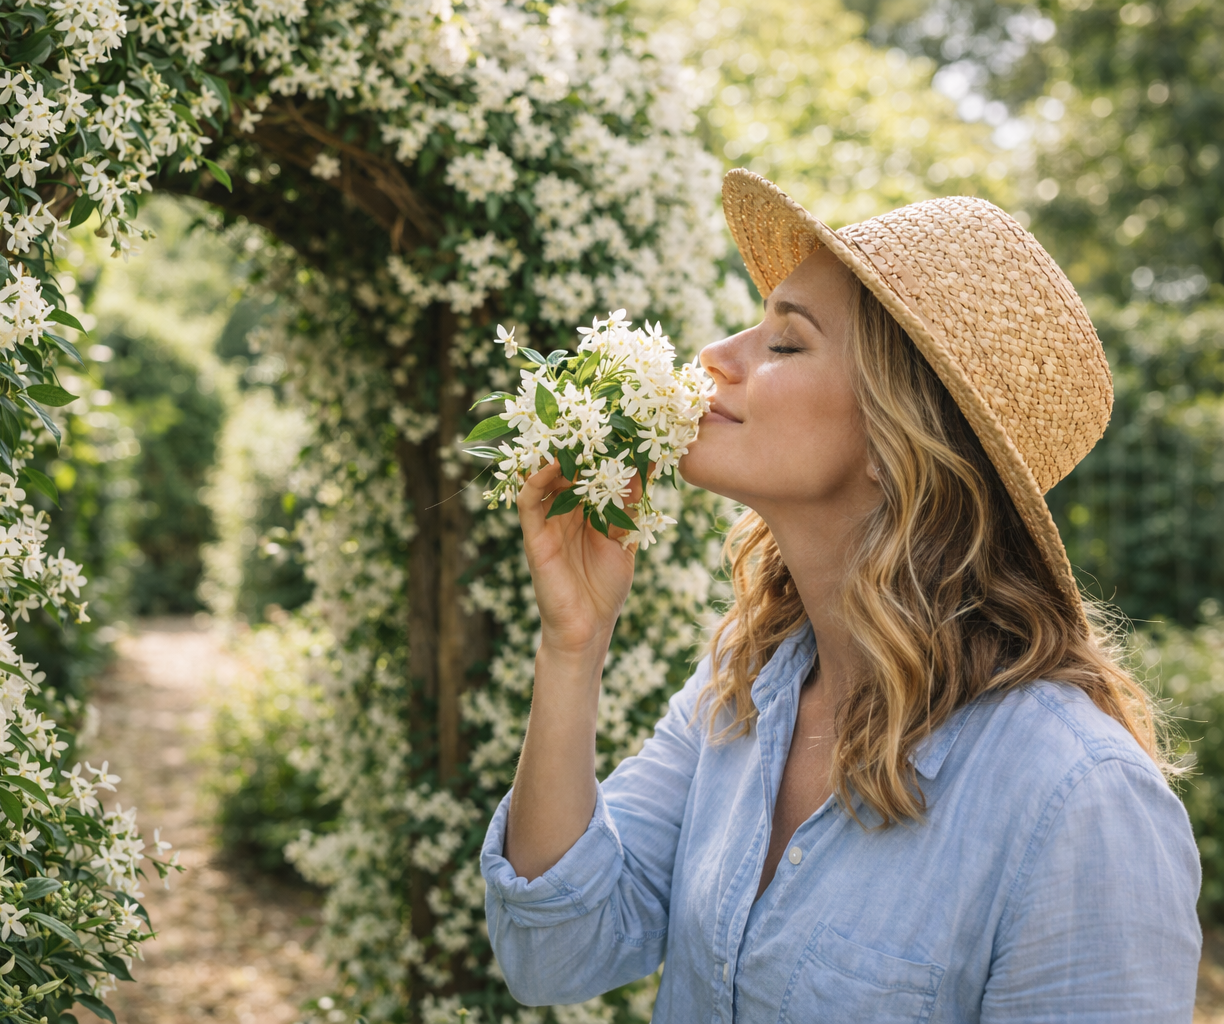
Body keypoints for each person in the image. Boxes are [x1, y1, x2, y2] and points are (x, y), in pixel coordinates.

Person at [479, 168, 1202, 1022]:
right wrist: (574, 644)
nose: (715, 357)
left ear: (896, 438)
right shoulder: (741, 692)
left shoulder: (1079, 800)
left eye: (786, 343)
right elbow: (554, 952)